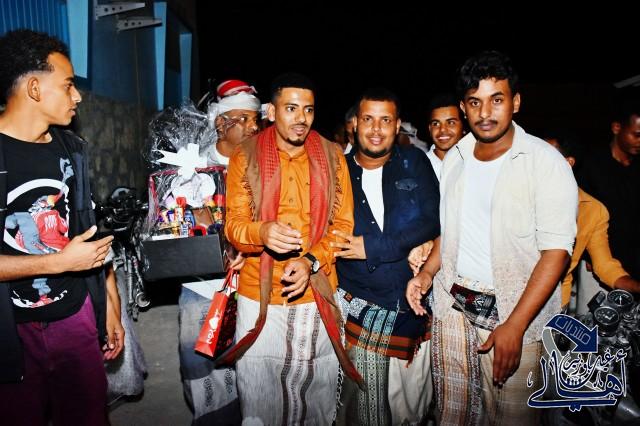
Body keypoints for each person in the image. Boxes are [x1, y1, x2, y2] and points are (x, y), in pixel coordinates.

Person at [407, 50, 578, 425]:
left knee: (511, 416)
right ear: (463, 107)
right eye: (475, 102)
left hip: (516, 311)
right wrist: (427, 274)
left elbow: (556, 253)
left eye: (496, 100)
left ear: (515, 102)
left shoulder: (544, 163)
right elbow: (450, 231)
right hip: (453, 307)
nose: (485, 113)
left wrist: (515, 326)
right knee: (452, 413)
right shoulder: (456, 157)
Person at [223, 72, 357, 424]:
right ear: (271, 111)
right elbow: (234, 226)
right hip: (260, 294)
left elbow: (343, 226)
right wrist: (262, 232)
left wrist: (312, 261)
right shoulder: (246, 155)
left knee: (316, 394)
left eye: (308, 110)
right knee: (260, 393)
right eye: (291, 108)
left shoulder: (332, 155)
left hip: (316, 292)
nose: (301, 118)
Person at [0, 29, 117, 425]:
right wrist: (57, 263)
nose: (77, 96)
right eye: (68, 85)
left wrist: (111, 305)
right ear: (34, 88)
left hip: (74, 316)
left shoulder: (72, 150)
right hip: (10, 331)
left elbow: (90, 230)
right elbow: (69, 257)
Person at [333, 88, 440, 426]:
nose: (376, 129)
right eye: (368, 119)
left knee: (413, 413)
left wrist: (374, 247)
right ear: (354, 124)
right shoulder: (336, 172)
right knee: (361, 414)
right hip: (360, 311)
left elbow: (433, 220)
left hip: (415, 311)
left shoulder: (414, 162)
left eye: (385, 120)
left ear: (397, 126)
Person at [179, 79, 261, 425]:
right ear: (220, 122)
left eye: (256, 119)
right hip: (204, 287)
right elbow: (176, 225)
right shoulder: (190, 166)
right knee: (201, 365)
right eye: (243, 118)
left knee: (254, 367)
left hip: (255, 284)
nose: (253, 126)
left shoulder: (263, 164)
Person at [543, 133, 640, 308]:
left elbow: (605, 266)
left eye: (544, 155)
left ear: (568, 163)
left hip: (555, 304)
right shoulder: (516, 195)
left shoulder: (593, 210)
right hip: (506, 296)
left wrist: (636, 286)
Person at [578, 98, 640, 280]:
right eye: (636, 135)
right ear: (617, 128)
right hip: (598, 261)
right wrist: (588, 254)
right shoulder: (591, 164)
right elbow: (580, 213)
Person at [425, 93, 465, 181]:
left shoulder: (473, 162)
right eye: (436, 124)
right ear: (430, 129)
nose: (442, 129)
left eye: (451, 123)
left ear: (463, 127)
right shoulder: (420, 166)